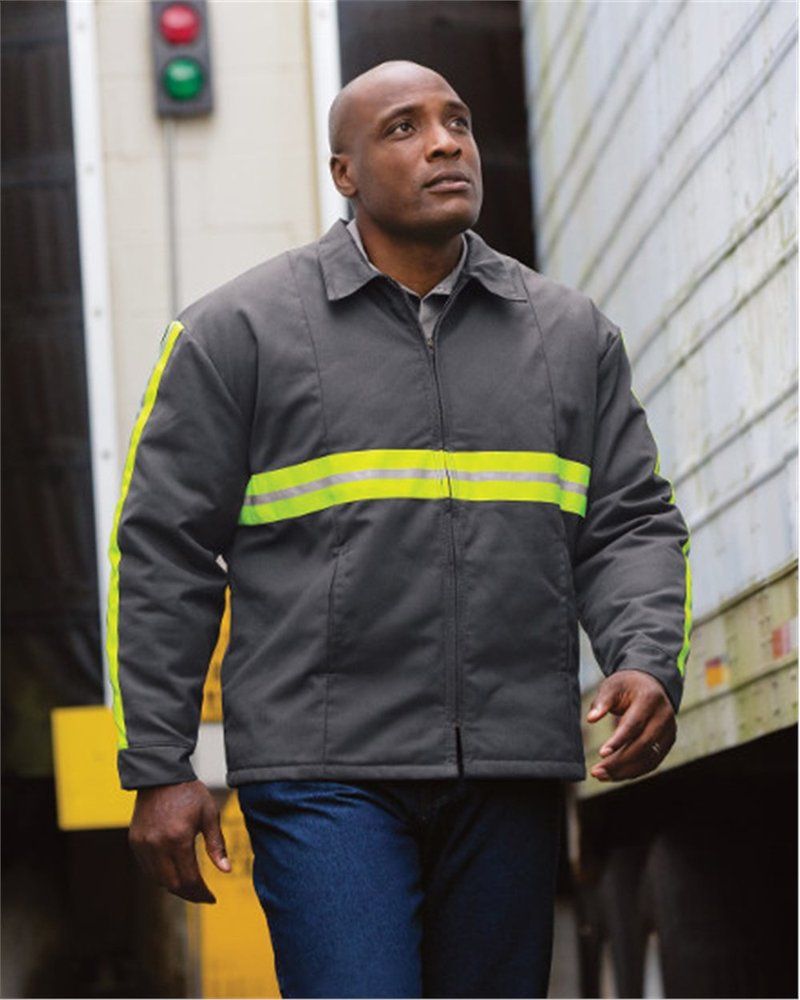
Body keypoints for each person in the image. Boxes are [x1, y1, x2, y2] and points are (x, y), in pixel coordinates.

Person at [111, 60, 691, 998]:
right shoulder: (239, 333)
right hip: (322, 771)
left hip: (509, 763)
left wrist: (645, 655)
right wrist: (159, 765)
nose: (446, 141)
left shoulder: (568, 335)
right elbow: (164, 550)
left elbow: (629, 522)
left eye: (457, 121)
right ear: (344, 174)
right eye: (404, 127)